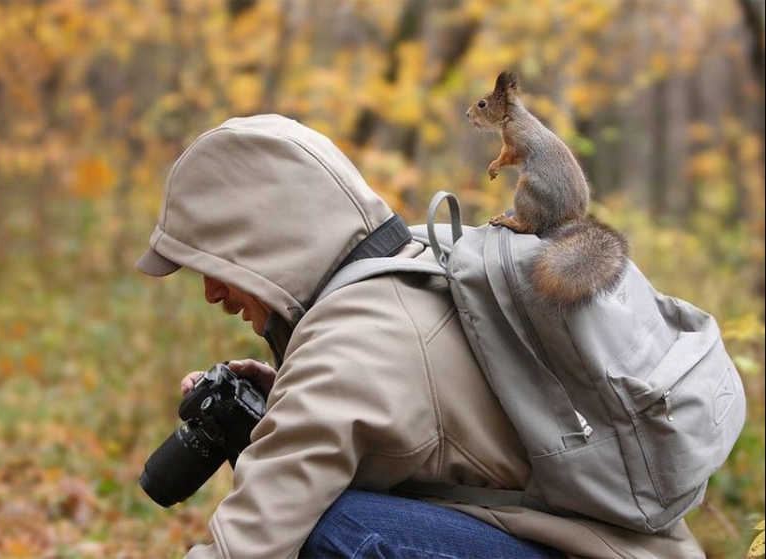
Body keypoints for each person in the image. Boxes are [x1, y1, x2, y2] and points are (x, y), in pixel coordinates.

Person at [135, 114, 705, 558]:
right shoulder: (417, 256)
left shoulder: (351, 344)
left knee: (331, 532)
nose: (212, 292)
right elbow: (422, 424)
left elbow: (250, 541)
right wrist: (287, 394)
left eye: (214, 265)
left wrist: (303, 399)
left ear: (259, 241)